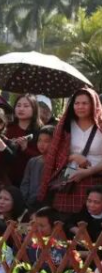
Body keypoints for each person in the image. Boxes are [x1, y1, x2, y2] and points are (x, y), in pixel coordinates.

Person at [39, 88, 102, 216]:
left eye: (85, 103)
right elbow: (54, 155)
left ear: (94, 105)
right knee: (64, 222)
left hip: (97, 182)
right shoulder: (65, 126)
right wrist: (73, 157)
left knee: (92, 224)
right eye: (77, 103)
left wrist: (88, 171)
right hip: (69, 181)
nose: (80, 107)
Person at [6, 94, 42, 186]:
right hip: (8, 178)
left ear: (34, 109)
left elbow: (43, 158)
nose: (21, 109)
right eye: (18, 105)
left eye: (26, 106)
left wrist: (25, 149)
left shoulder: (40, 131)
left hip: (31, 180)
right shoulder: (8, 129)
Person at [21, 126, 53, 210]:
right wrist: (25, 200)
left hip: (49, 204)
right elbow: (25, 183)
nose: (41, 144)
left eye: (46, 141)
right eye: (39, 140)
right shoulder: (33, 161)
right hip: (30, 203)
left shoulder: (59, 163)